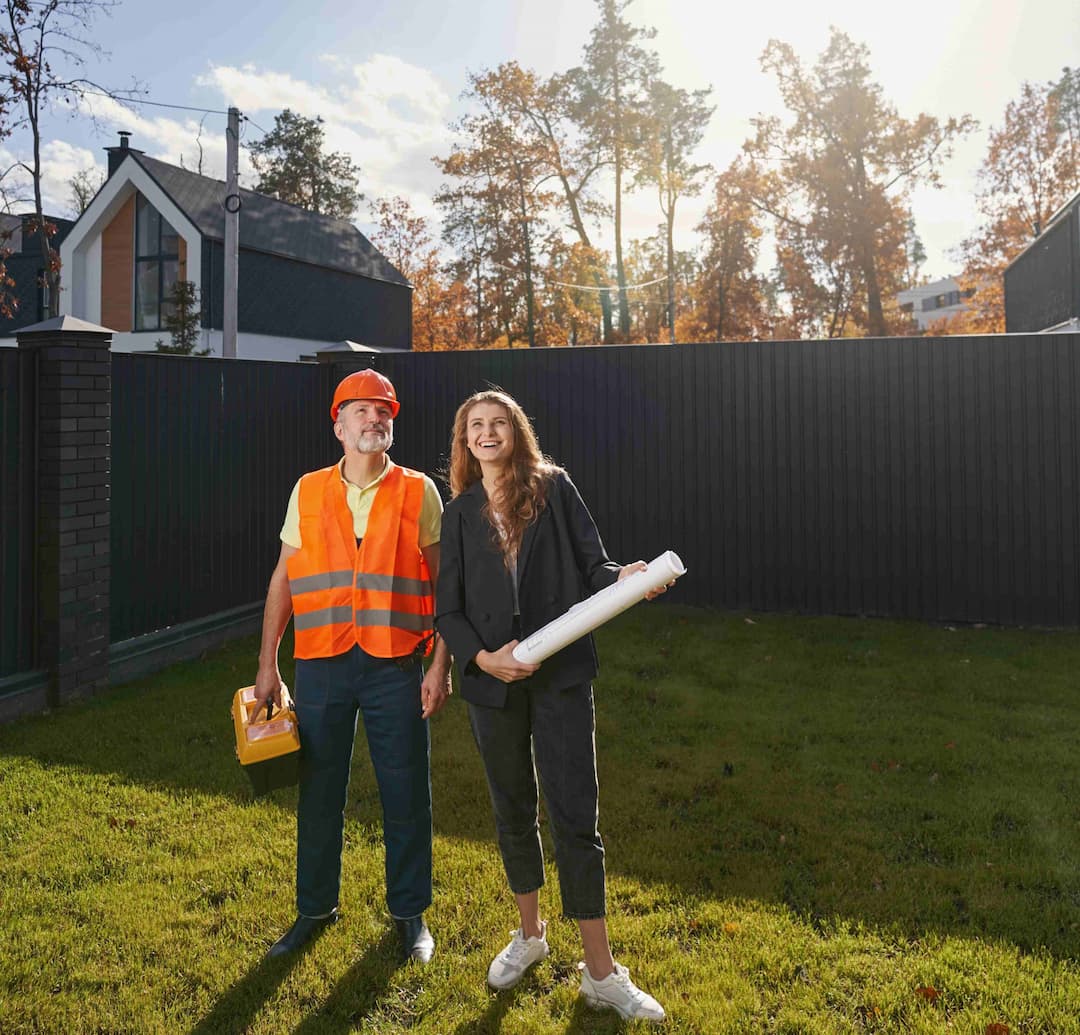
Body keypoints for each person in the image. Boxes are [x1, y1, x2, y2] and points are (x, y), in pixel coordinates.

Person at [435, 389, 667, 1022]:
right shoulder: (458, 514)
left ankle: (601, 973)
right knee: (513, 810)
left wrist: (623, 578)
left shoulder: (555, 489)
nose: (486, 433)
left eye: (497, 423)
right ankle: (530, 936)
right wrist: (484, 660)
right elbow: (447, 612)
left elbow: (595, 565)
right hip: (492, 684)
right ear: (465, 441)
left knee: (575, 818)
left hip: (561, 674)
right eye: (475, 426)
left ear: (516, 432)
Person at [253, 369, 452, 963]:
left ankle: (409, 915)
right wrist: (268, 664)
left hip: (396, 666)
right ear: (337, 425)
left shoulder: (420, 492)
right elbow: (283, 581)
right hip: (320, 663)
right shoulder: (307, 489)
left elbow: (447, 588)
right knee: (318, 792)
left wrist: (441, 665)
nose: (375, 418)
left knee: (405, 791)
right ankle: (313, 910)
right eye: (361, 410)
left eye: (384, 410)